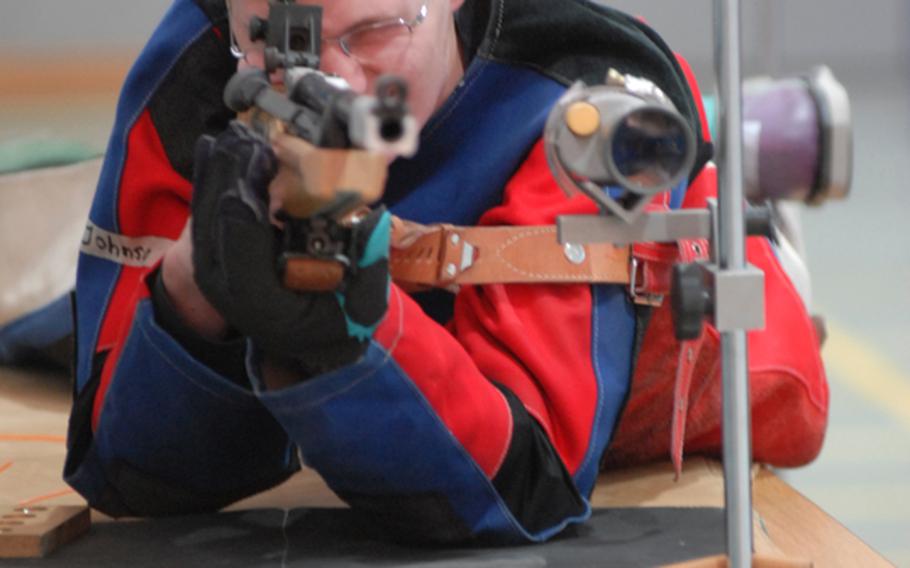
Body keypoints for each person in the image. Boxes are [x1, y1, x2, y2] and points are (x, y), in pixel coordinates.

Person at [64, 0, 827, 544]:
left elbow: (531, 481)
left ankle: (746, 164)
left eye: (372, 33)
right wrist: (197, 291)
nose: (332, 86)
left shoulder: (575, 92)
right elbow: (119, 470)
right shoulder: (196, 65)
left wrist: (349, 332)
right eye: (270, 41)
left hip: (650, 372)